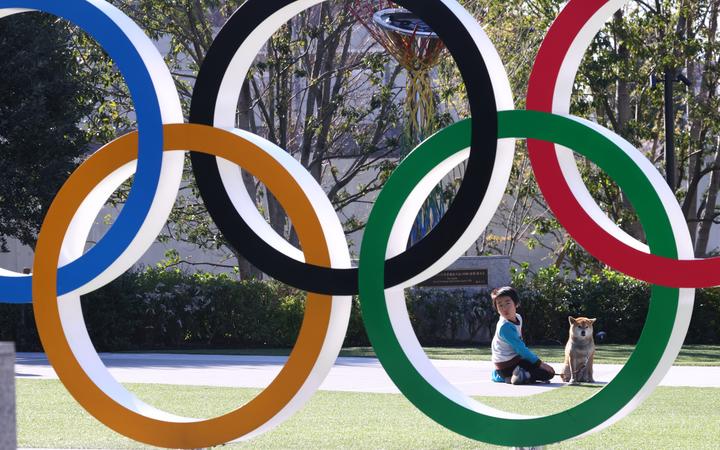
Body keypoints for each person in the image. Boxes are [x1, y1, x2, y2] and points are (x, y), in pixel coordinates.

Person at [489, 286, 555, 384]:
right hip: (506, 365)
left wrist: (536, 363)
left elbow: (520, 348)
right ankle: (516, 376)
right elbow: (521, 349)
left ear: (516, 303)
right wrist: (540, 363)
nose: (504, 308)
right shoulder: (505, 327)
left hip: (514, 361)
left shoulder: (518, 318)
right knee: (546, 373)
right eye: (500, 305)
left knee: (549, 372)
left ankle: (508, 376)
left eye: (507, 303)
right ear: (497, 309)